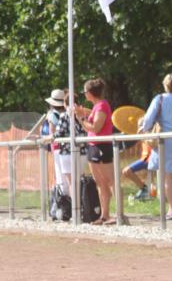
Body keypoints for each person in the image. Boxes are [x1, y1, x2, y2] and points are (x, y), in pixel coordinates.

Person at [143, 72, 172, 220]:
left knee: (167, 176)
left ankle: (171, 209)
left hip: (166, 142)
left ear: (165, 85)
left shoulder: (160, 99)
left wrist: (145, 128)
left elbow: (148, 120)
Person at [74, 78, 118, 224]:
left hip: (102, 146)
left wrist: (80, 118)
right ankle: (104, 215)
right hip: (93, 146)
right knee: (100, 183)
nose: (84, 94)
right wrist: (81, 112)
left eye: (85, 91)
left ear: (90, 93)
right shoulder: (97, 106)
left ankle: (118, 214)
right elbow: (92, 116)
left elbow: (95, 128)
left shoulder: (102, 106)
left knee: (111, 181)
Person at [55, 91, 88, 191]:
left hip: (67, 152)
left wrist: (48, 138)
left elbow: (58, 133)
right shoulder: (83, 114)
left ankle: (73, 205)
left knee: (71, 183)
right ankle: (81, 205)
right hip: (82, 152)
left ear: (65, 104)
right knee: (79, 182)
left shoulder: (64, 116)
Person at [44, 90, 67, 186]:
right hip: (68, 148)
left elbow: (52, 131)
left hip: (57, 148)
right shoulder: (67, 113)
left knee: (60, 177)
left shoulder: (52, 115)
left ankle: (63, 199)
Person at [123, 135, 153, 201]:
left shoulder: (149, 129)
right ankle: (144, 189)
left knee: (127, 171)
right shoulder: (142, 131)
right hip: (145, 158)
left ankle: (145, 190)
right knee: (126, 171)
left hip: (149, 158)